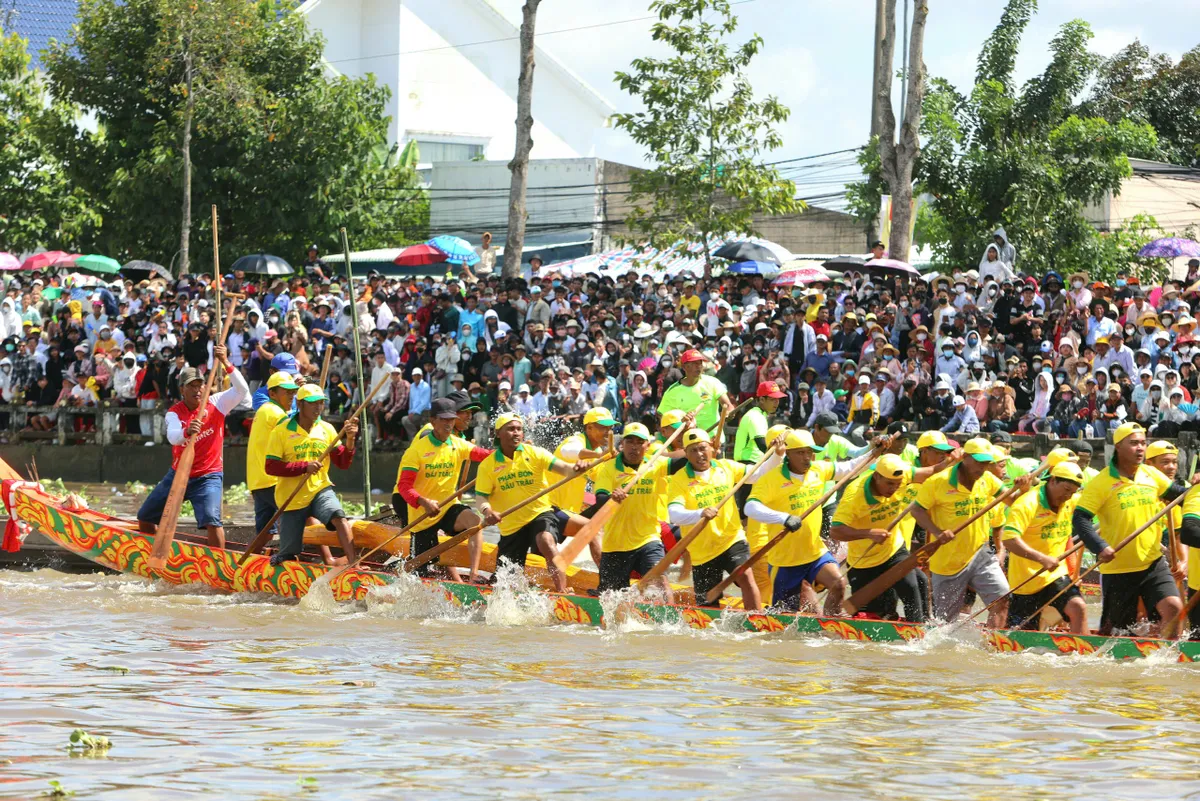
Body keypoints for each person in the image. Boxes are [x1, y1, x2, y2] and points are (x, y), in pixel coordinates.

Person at [1072, 422, 1187, 637]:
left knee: (1174, 608)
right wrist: (1099, 547)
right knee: (1114, 632)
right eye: (1134, 443)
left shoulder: (1151, 474)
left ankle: (1167, 659)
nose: (1141, 448)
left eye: (1143, 443)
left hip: (1152, 563)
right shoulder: (1102, 481)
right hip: (1118, 568)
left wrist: (1195, 490)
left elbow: (1179, 495)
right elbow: (1080, 519)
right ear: (1118, 447)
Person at [745, 428, 873, 615]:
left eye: (810, 452)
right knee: (784, 618)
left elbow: (851, 468)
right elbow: (750, 507)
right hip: (785, 560)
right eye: (800, 453)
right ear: (787, 453)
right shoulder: (771, 479)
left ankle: (830, 626)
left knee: (838, 584)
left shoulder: (818, 470)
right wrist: (784, 518)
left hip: (815, 552)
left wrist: (874, 452)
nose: (807, 458)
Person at [913, 438, 1034, 625]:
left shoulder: (988, 479)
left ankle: (993, 646)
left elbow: (1013, 501)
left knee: (1002, 597)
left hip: (980, 552)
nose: (983, 467)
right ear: (965, 457)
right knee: (945, 625)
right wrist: (937, 532)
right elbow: (917, 510)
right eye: (979, 462)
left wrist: (1025, 489)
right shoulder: (938, 482)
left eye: (987, 463)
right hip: (948, 560)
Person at [136, 345, 247, 548]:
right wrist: (187, 432)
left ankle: (218, 566)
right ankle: (154, 551)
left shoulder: (218, 403)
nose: (197, 390)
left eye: (200, 385)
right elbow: (173, 437)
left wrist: (226, 363)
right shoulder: (174, 412)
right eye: (191, 386)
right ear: (182, 390)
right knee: (144, 517)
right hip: (180, 474)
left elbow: (242, 391)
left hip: (209, 475)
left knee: (212, 521)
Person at [475, 414, 595, 593]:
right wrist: (487, 511)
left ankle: (563, 591)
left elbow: (564, 469)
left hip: (540, 513)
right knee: (504, 586)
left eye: (519, 429)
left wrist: (576, 469)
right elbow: (480, 498)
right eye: (511, 429)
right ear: (498, 433)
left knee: (545, 540)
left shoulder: (535, 453)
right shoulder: (487, 465)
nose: (516, 433)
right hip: (511, 527)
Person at [830, 451, 954, 622]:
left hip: (894, 550)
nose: (894, 489)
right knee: (874, 615)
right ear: (876, 477)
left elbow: (933, 470)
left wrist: (952, 460)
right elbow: (835, 531)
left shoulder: (904, 475)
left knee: (914, 584)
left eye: (897, 484)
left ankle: (920, 630)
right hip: (864, 561)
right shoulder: (854, 495)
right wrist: (868, 533)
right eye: (889, 484)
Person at [667, 428, 780, 610]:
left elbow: (759, 473)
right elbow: (674, 514)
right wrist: (700, 513)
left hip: (731, 539)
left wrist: (777, 454)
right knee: (708, 605)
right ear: (686, 454)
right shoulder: (679, 480)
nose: (699, 454)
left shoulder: (726, 467)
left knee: (745, 575)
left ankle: (757, 621)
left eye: (703, 448)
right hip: (702, 551)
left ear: (711, 448)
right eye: (693, 450)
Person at [395, 397, 493, 581]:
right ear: (432, 421)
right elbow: (404, 487)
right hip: (423, 516)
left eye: (451, 419)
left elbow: (487, 456)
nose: (449, 424)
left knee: (475, 523)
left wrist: (512, 450)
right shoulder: (416, 451)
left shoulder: (458, 444)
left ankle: (473, 578)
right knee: (417, 575)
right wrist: (424, 502)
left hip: (447, 507)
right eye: (444, 420)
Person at [263, 384, 360, 565]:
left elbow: (343, 463)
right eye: (313, 403)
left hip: (319, 488)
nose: (318, 408)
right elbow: (271, 467)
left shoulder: (327, 429)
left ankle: (354, 564)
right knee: (288, 555)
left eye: (321, 403)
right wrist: (303, 467)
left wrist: (350, 440)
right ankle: (283, 557)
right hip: (291, 499)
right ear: (299, 404)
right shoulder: (281, 431)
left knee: (339, 516)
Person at [590, 423, 674, 600]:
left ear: (647, 446)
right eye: (630, 441)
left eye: (639, 442)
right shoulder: (609, 468)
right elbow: (600, 500)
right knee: (611, 600)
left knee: (661, 582)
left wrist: (692, 432)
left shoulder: (655, 463)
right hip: (615, 544)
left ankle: (674, 623)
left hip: (648, 539)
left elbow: (683, 461)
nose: (634, 446)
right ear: (623, 444)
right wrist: (612, 498)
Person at [1003, 460, 1088, 633]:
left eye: (1072, 492)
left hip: (1056, 574)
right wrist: (1041, 558)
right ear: (1053, 480)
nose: (1068, 497)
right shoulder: (1027, 504)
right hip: (1025, 579)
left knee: (1078, 607)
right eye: (1065, 490)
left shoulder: (1071, 502)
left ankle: (1084, 651)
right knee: (1021, 636)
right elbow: (1009, 539)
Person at [549, 407, 616, 564]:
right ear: (589, 428)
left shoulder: (598, 451)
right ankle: (607, 584)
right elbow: (568, 451)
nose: (608, 431)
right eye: (603, 427)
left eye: (610, 427)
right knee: (593, 529)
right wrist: (600, 456)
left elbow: (602, 482)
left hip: (568, 512)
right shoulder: (575, 440)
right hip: (550, 509)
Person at [246, 371, 300, 542]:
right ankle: (327, 558)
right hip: (273, 480)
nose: (291, 396)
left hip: (258, 481)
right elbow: (295, 439)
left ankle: (250, 562)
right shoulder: (276, 414)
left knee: (265, 532)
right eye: (287, 392)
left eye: (293, 392)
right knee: (302, 514)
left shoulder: (264, 410)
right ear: (272, 394)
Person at [657, 348, 734, 434]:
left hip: (713, 440)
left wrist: (728, 412)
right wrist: (680, 422)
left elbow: (727, 405)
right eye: (694, 363)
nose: (698, 366)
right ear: (684, 367)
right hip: (688, 441)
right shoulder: (672, 391)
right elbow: (663, 418)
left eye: (700, 363)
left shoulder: (712, 383)